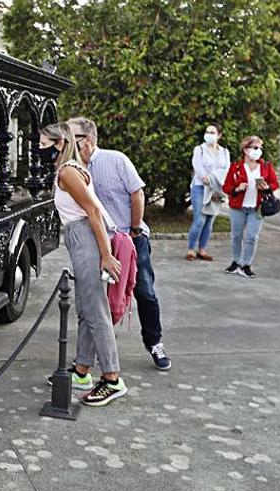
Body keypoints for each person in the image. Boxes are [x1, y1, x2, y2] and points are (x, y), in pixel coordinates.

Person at [67, 117, 171, 371]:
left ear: (87, 140)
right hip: (99, 243)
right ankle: (85, 362)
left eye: (72, 138)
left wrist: (134, 230)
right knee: (95, 301)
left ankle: (155, 342)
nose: (67, 142)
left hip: (131, 239)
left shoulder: (116, 160)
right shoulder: (73, 169)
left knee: (144, 292)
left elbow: (137, 193)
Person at [39, 122, 127, 407]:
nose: (39, 150)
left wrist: (105, 255)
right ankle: (82, 370)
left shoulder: (68, 171)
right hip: (80, 235)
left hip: (85, 236)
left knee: (94, 309)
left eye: (44, 145)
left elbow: (92, 211)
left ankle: (112, 378)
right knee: (86, 307)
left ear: (60, 144)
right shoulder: (71, 168)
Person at [222, 136, 279, 278]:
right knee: (236, 236)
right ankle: (236, 262)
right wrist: (237, 189)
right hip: (238, 208)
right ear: (245, 150)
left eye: (260, 148)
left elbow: (275, 183)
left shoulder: (266, 166)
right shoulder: (236, 167)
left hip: (257, 208)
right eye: (255, 147)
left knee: (252, 237)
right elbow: (226, 187)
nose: (258, 151)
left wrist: (267, 187)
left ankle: (246, 265)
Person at [187, 124, 230, 261]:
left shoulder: (224, 152)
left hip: (216, 189)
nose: (209, 134)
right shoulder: (199, 149)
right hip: (200, 187)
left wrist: (219, 188)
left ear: (219, 135)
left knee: (209, 221)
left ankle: (202, 249)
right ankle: (191, 249)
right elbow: (198, 167)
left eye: (213, 132)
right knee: (199, 220)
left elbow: (226, 170)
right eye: (207, 132)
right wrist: (207, 179)